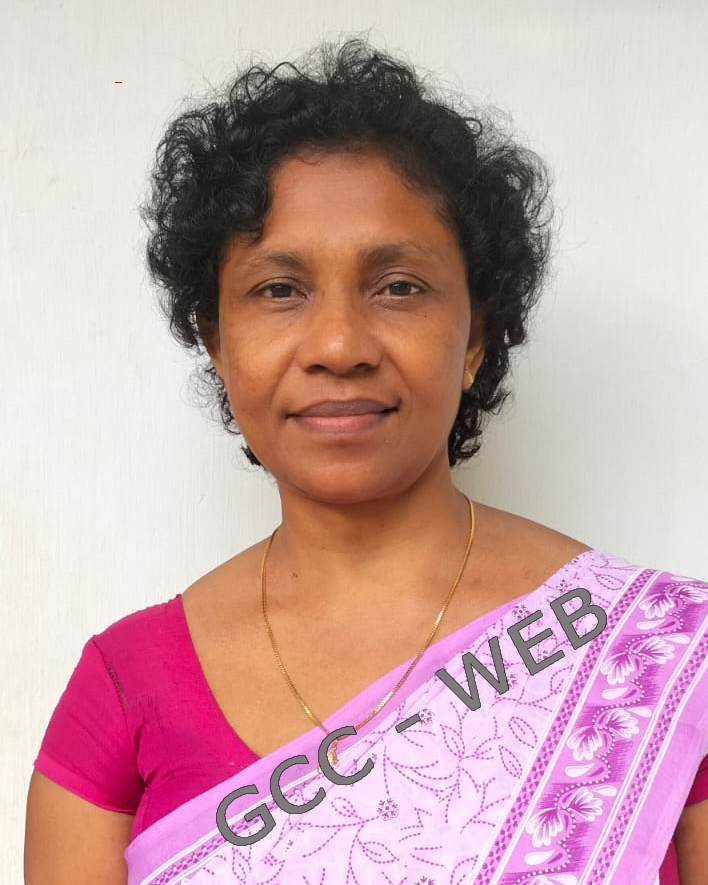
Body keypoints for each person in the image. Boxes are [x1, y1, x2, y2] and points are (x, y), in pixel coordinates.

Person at [24, 37, 708, 885]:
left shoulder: (660, 654)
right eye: (280, 290)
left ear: (476, 337)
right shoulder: (124, 690)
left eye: (398, 287)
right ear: (217, 342)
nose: (340, 344)